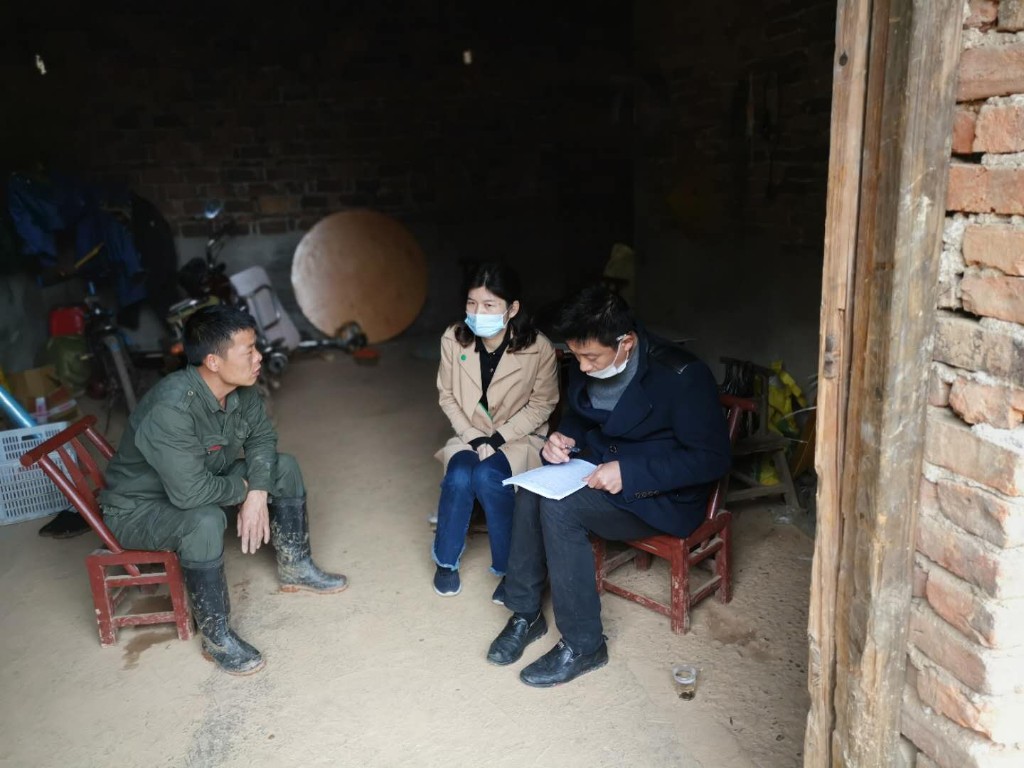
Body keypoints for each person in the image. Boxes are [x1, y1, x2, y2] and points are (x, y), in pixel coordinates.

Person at [486, 284, 731, 687]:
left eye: (591, 357)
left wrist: (630, 473)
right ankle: (526, 613)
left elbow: (712, 459)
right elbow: (581, 417)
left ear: (626, 343)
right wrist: (563, 437)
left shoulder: (681, 375)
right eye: (576, 355)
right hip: (598, 469)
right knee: (531, 489)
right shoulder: (589, 362)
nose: (582, 367)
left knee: (560, 509)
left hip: (660, 495)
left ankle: (584, 645)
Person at [98, 305, 347, 676]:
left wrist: (257, 493)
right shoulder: (172, 409)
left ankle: (296, 567)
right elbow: (190, 494)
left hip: (202, 479)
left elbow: (262, 438)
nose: (259, 357)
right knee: (204, 520)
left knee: (285, 467)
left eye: (256, 347)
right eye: (248, 351)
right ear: (213, 361)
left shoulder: (240, 389)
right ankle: (217, 638)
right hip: (139, 509)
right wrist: (245, 488)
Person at [432, 263, 559, 603]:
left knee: (490, 477)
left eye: (489, 305)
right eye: (472, 303)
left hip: (518, 437)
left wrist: (498, 439)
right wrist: (474, 437)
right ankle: (445, 560)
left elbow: (542, 405)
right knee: (460, 474)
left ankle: (510, 569)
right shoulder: (453, 338)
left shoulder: (538, 348)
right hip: (470, 432)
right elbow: (447, 395)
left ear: (512, 308)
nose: (478, 313)